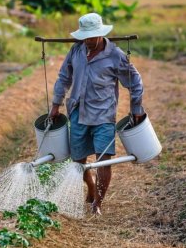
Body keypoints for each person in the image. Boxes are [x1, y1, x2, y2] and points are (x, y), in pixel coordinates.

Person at [49, 12, 145, 215]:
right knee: (78, 161)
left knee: (104, 159)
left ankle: (97, 204)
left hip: (103, 115)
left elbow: (135, 82)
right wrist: (55, 104)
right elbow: (63, 78)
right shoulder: (76, 51)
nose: (89, 41)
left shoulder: (115, 55)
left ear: (101, 34)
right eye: (85, 37)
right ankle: (91, 187)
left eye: (92, 37)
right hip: (78, 112)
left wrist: (136, 108)